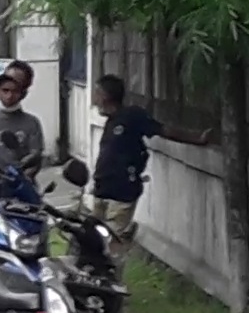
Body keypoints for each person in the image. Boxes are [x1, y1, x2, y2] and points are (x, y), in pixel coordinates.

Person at [86, 73, 213, 241]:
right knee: (90, 240)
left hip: (121, 193)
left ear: (106, 96)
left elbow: (163, 130)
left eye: (97, 94)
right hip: (102, 191)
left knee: (111, 243)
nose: (94, 101)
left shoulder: (132, 116)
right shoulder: (111, 122)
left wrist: (197, 138)